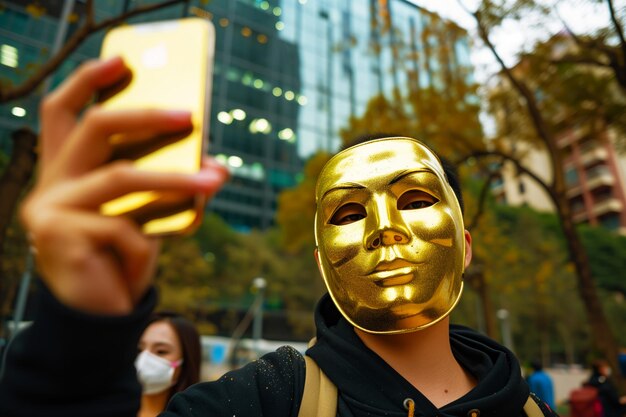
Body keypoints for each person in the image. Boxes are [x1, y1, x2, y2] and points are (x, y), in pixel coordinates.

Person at [0, 57, 559, 417]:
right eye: (347, 213)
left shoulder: (531, 410)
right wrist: (77, 339)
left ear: (464, 245)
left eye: (415, 200)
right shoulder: (260, 401)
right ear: (322, 260)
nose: (385, 228)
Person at [137, 312, 202, 417]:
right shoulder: (108, 407)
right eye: (139, 350)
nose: (144, 359)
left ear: (186, 360)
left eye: (161, 351)